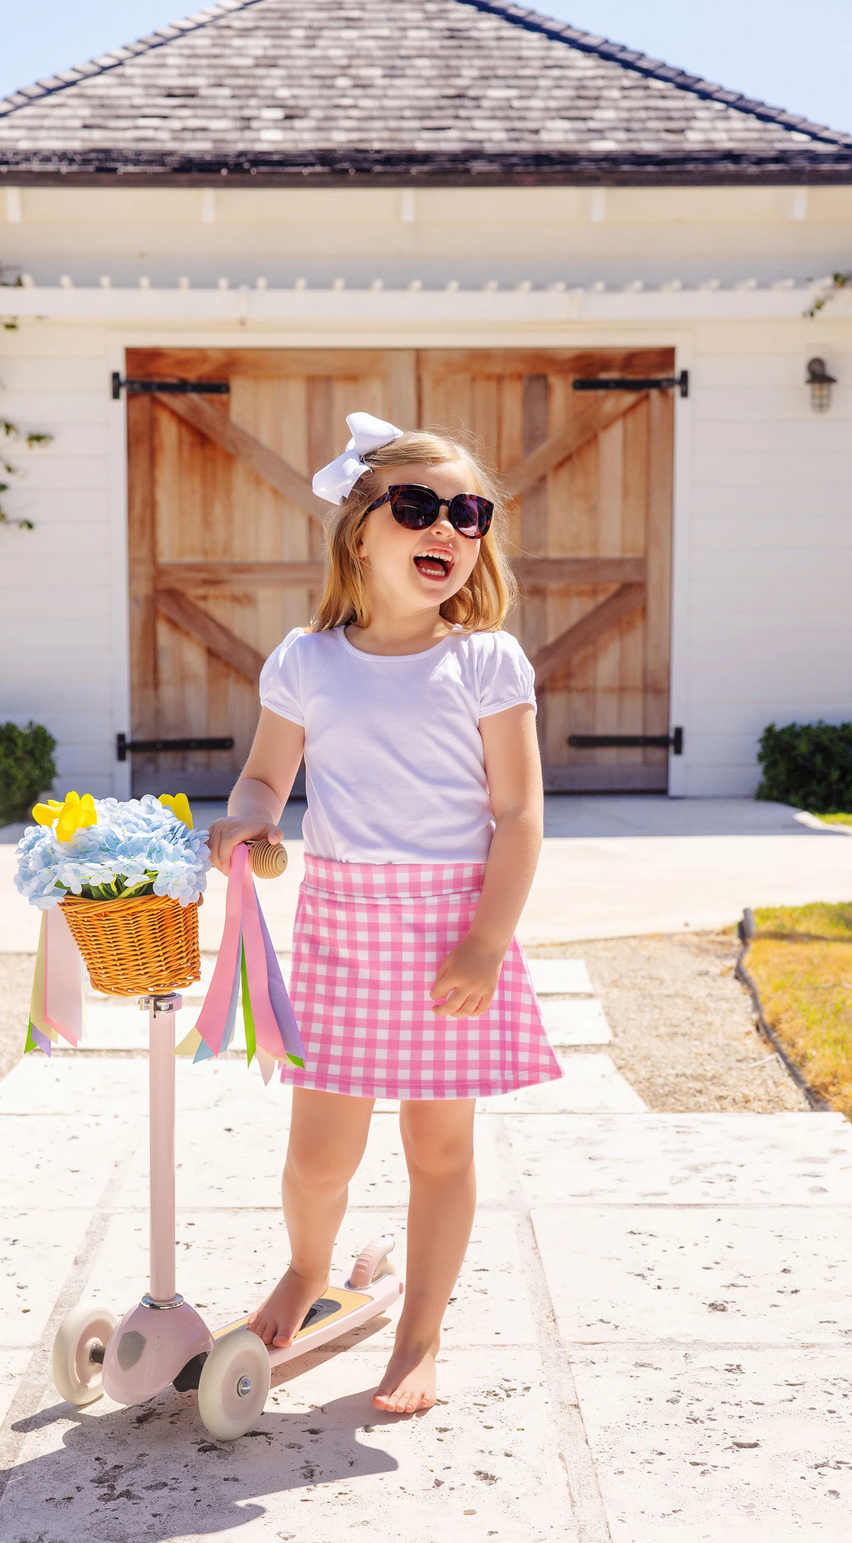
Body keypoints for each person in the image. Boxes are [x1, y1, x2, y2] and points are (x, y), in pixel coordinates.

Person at [208, 412, 561, 1415]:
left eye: (467, 512)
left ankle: (419, 1335)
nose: (445, 526)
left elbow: (519, 811)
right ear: (360, 531)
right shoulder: (306, 662)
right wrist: (253, 830)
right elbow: (264, 780)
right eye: (417, 507)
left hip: (453, 924)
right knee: (319, 1154)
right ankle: (307, 1267)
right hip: (344, 928)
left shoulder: (486, 662)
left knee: (439, 1148)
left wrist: (488, 938)